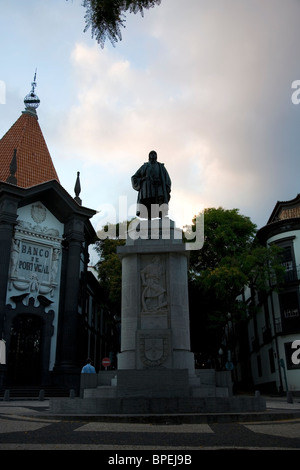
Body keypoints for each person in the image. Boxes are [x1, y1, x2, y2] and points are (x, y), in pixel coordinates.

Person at [131, 150, 171, 219]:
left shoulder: (160, 166)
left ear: (156, 156)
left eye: (154, 153)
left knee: (160, 200)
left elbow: (167, 178)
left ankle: (162, 216)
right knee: (149, 201)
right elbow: (134, 177)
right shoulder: (145, 166)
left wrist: (167, 187)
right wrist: (142, 179)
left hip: (159, 187)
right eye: (151, 154)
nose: (153, 155)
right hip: (148, 188)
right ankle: (149, 217)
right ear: (149, 156)